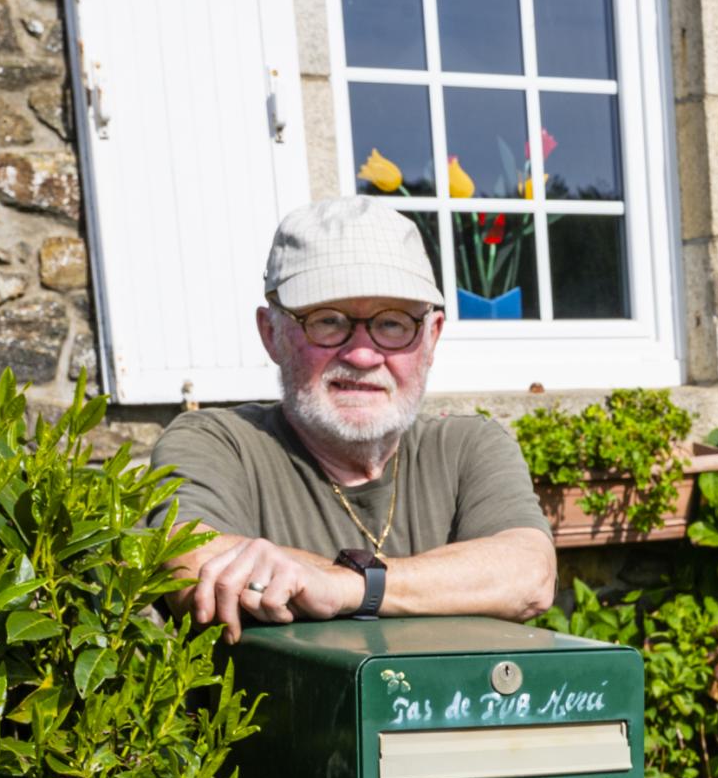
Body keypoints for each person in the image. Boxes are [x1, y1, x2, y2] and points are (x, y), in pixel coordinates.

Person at [148, 197, 556, 642]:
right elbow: (193, 566)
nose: (362, 354)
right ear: (271, 334)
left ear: (432, 336)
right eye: (327, 321)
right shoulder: (218, 444)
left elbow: (529, 574)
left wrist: (346, 586)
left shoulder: (468, 447)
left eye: (393, 325)